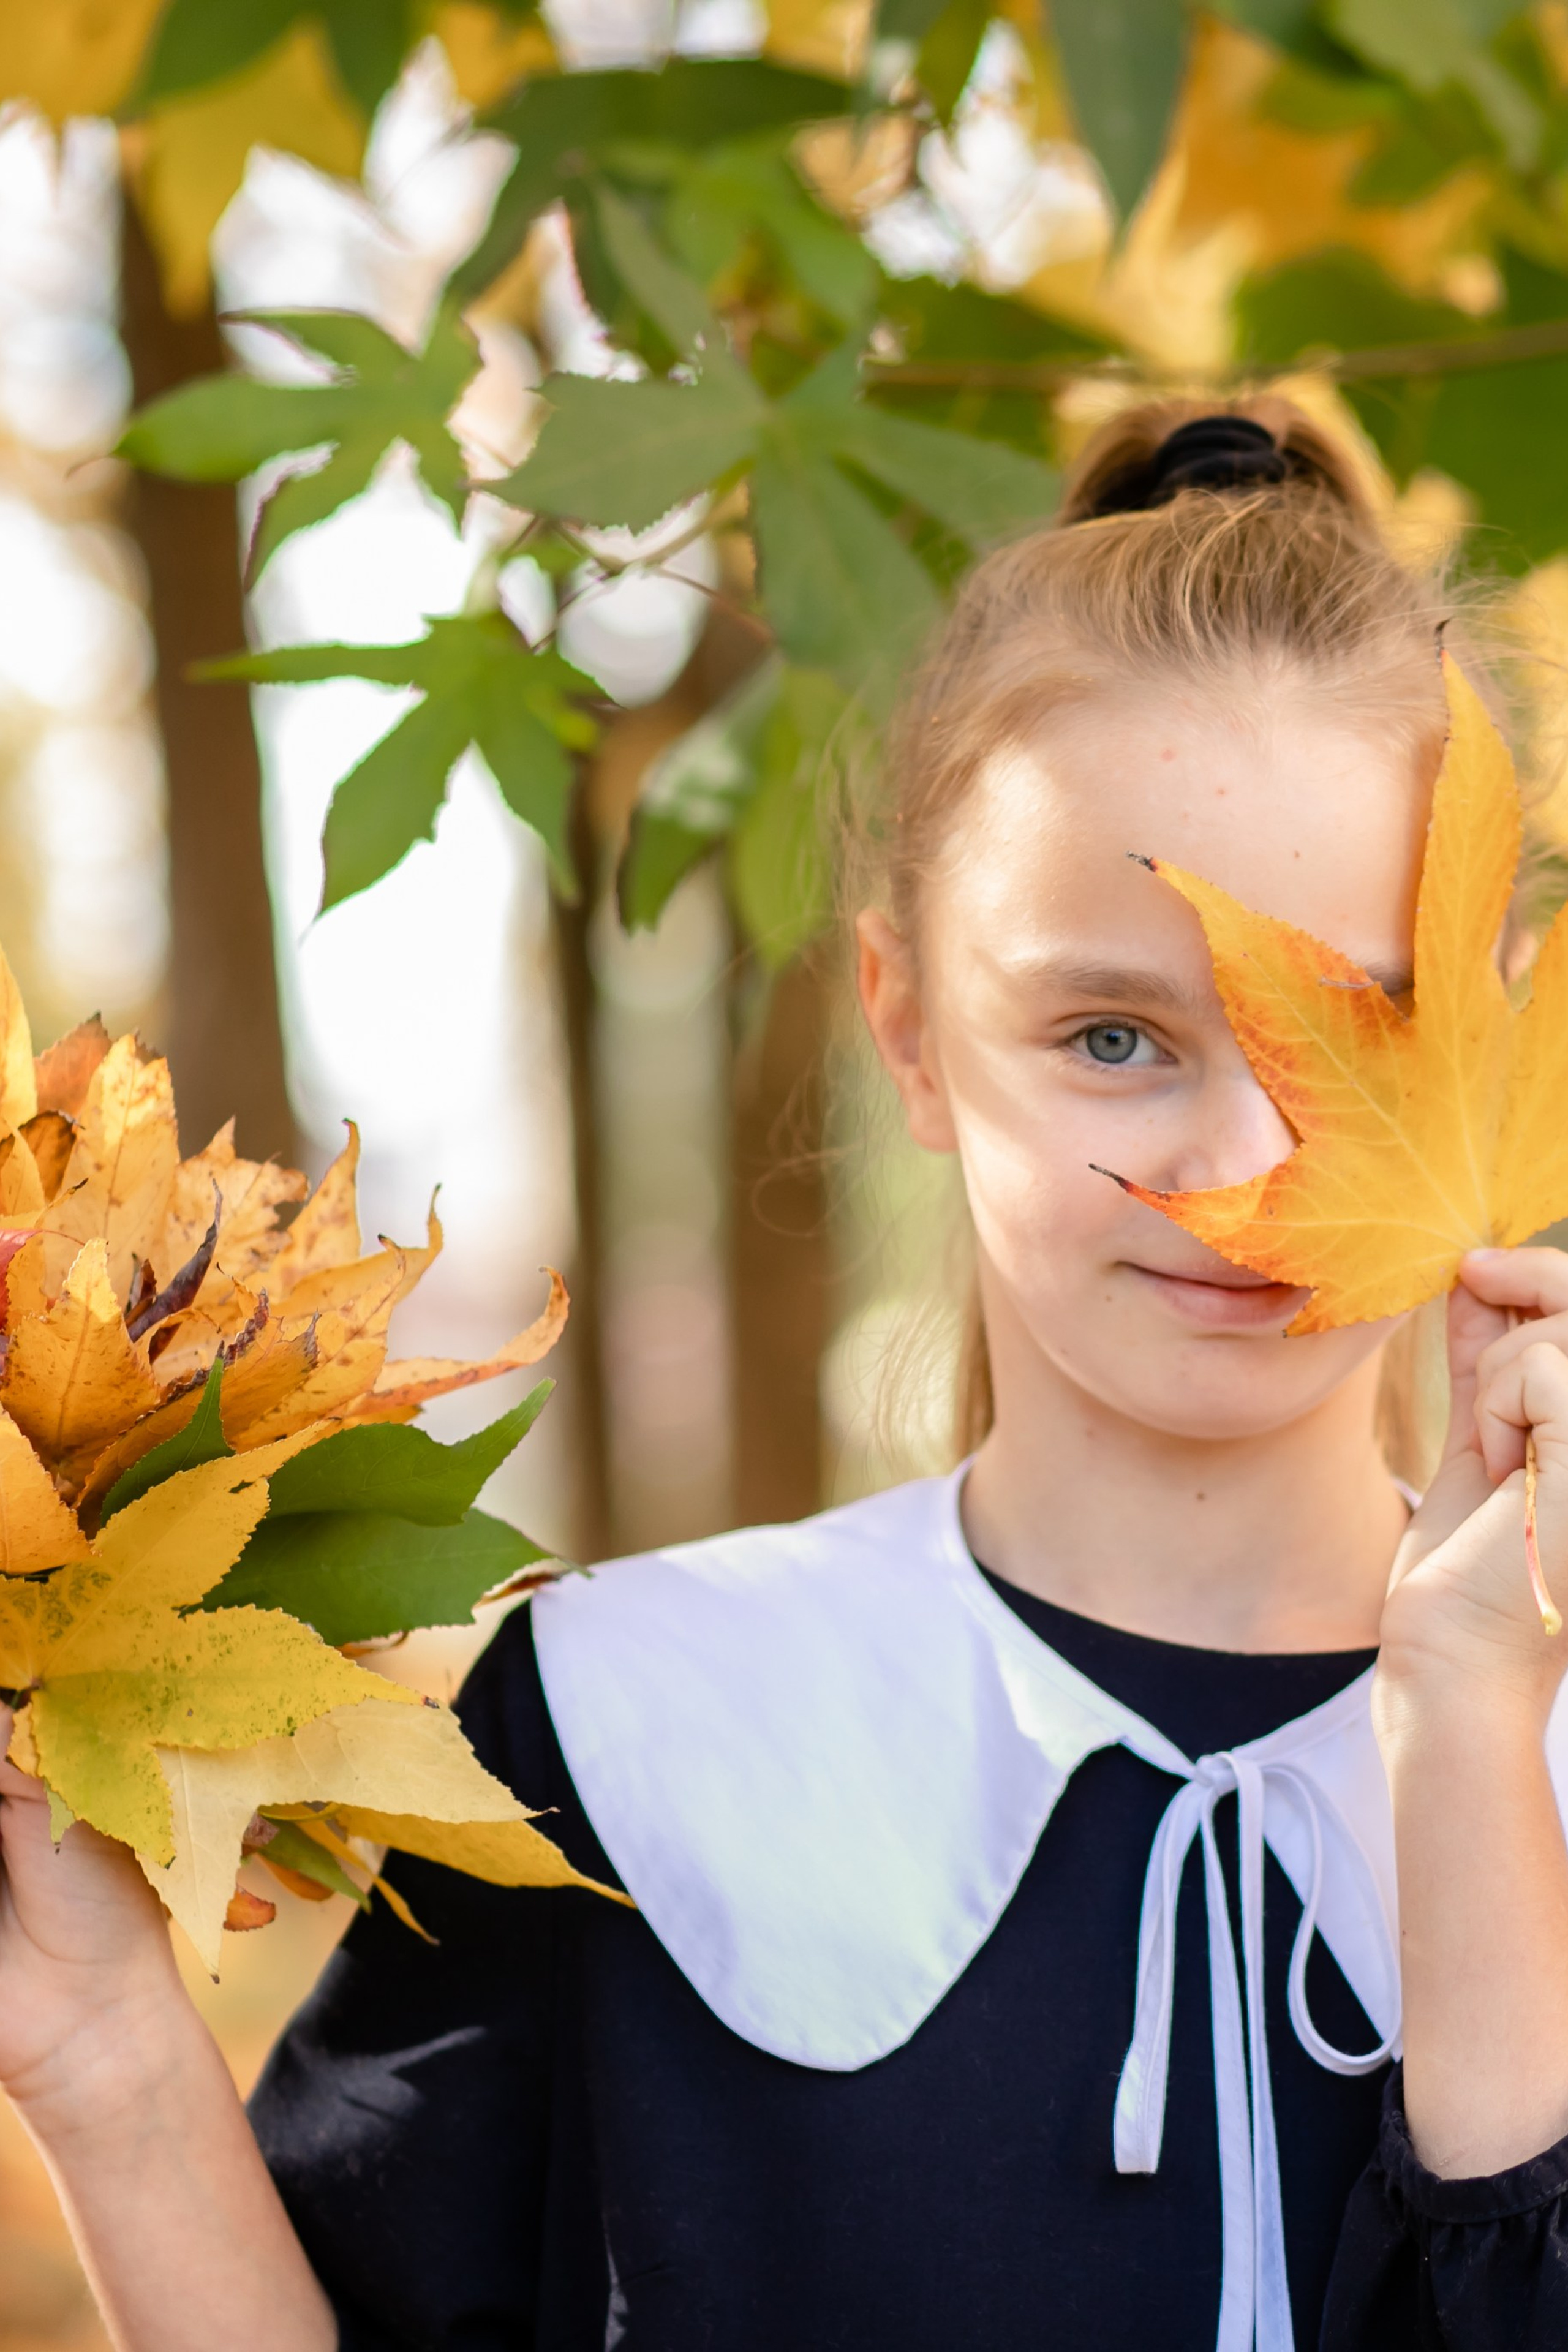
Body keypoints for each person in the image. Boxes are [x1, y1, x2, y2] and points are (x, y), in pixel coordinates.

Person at [5, 396, 1568, 2352]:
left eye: (1350, 1025)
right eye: (1110, 1037)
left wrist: (1481, 1745)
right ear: (907, 1032)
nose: (1239, 1172)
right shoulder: (637, 1727)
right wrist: (105, 2058)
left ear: (1500, 1029)